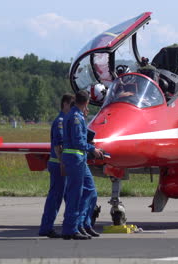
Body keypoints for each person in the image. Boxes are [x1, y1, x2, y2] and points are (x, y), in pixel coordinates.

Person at [62, 90, 104, 240]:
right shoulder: (76, 118)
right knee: (75, 194)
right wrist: (93, 149)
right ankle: (70, 230)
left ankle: (83, 224)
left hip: (79, 158)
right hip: (75, 158)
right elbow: (78, 142)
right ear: (86, 103)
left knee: (91, 191)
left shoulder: (76, 116)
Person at [38, 93, 75, 238]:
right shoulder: (60, 121)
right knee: (55, 197)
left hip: (61, 163)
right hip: (58, 164)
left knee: (63, 196)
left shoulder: (65, 120)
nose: (73, 108)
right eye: (71, 105)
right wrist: (62, 163)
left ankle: (67, 225)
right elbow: (59, 146)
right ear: (65, 104)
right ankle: (46, 228)